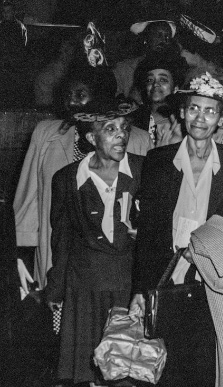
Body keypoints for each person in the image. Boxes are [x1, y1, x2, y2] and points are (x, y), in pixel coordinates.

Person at [130, 73, 223, 387]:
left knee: (207, 362)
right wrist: (141, 288)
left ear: (221, 119)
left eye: (210, 111)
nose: (201, 117)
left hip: (213, 276)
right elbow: (148, 231)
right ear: (182, 113)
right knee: (174, 365)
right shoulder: (159, 160)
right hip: (169, 275)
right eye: (194, 109)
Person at [40, 102, 142, 387]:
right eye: (110, 130)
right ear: (90, 137)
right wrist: (56, 287)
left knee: (127, 351)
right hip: (86, 279)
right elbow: (62, 237)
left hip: (127, 277)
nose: (121, 136)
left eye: (124, 129)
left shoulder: (143, 170)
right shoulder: (68, 178)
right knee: (93, 349)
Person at [14, 69, 152, 287]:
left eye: (80, 94)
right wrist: (19, 252)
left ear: (100, 96)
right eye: (67, 95)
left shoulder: (137, 140)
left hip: (117, 267)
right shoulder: (46, 134)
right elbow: (29, 196)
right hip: (59, 254)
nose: (71, 101)